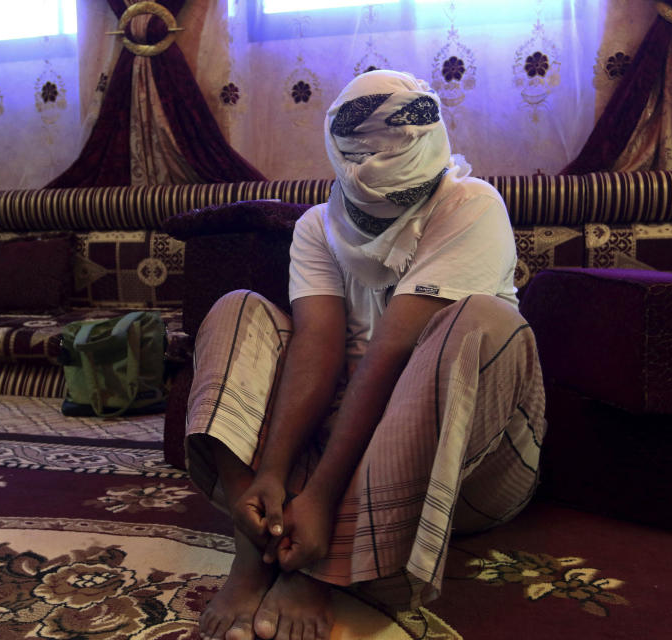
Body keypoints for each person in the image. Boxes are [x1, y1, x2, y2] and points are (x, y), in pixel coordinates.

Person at [184, 70, 546, 640]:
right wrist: (275, 471)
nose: (370, 170)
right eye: (359, 155)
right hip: (326, 450)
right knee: (237, 309)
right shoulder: (317, 227)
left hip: (461, 473)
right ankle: (254, 533)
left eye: (389, 155)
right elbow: (318, 345)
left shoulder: (470, 206)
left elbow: (392, 354)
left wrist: (324, 497)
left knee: (479, 320)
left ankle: (320, 564)